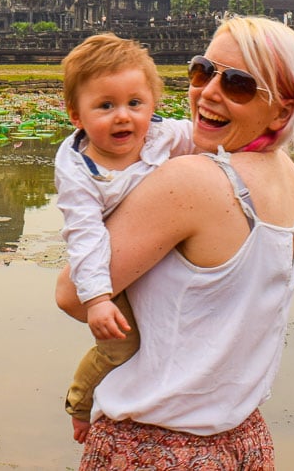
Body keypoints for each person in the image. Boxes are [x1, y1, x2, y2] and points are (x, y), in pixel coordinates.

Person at [56, 15, 294, 468]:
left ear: (280, 109)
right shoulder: (286, 172)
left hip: (154, 448)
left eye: (237, 83)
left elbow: (72, 296)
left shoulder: (191, 180)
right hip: (243, 436)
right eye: (203, 70)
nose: (210, 91)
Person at [55, 33, 194, 443]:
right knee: (123, 347)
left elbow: (208, 141)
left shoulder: (163, 134)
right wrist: (97, 299)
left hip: (155, 254)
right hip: (105, 266)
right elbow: (84, 237)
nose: (123, 117)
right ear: (76, 116)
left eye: (135, 103)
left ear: (153, 105)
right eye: (105, 106)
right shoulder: (78, 171)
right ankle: (81, 403)